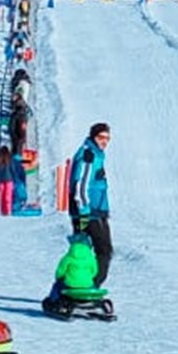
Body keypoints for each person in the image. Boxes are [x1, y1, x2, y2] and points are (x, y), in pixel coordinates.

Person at [68, 122, 113, 286]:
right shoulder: (89, 155)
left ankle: (79, 284)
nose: (104, 142)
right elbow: (81, 185)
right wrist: (84, 212)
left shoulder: (94, 154)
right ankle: (90, 285)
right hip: (89, 213)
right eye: (101, 137)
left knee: (83, 250)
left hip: (94, 211)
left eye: (107, 138)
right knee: (103, 250)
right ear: (93, 137)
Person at [42, 232, 109, 317]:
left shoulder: (68, 257)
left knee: (57, 286)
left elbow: (60, 272)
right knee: (92, 285)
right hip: (87, 285)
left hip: (71, 285)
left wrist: (59, 277)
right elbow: (94, 271)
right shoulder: (91, 257)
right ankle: (93, 302)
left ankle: (53, 301)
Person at [0, 145, 18, 216]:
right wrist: (15, 177)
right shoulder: (9, 159)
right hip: (9, 179)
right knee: (8, 196)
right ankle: (8, 211)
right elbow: (12, 169)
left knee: (2, 197)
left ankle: (3, 211)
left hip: (0, 180)